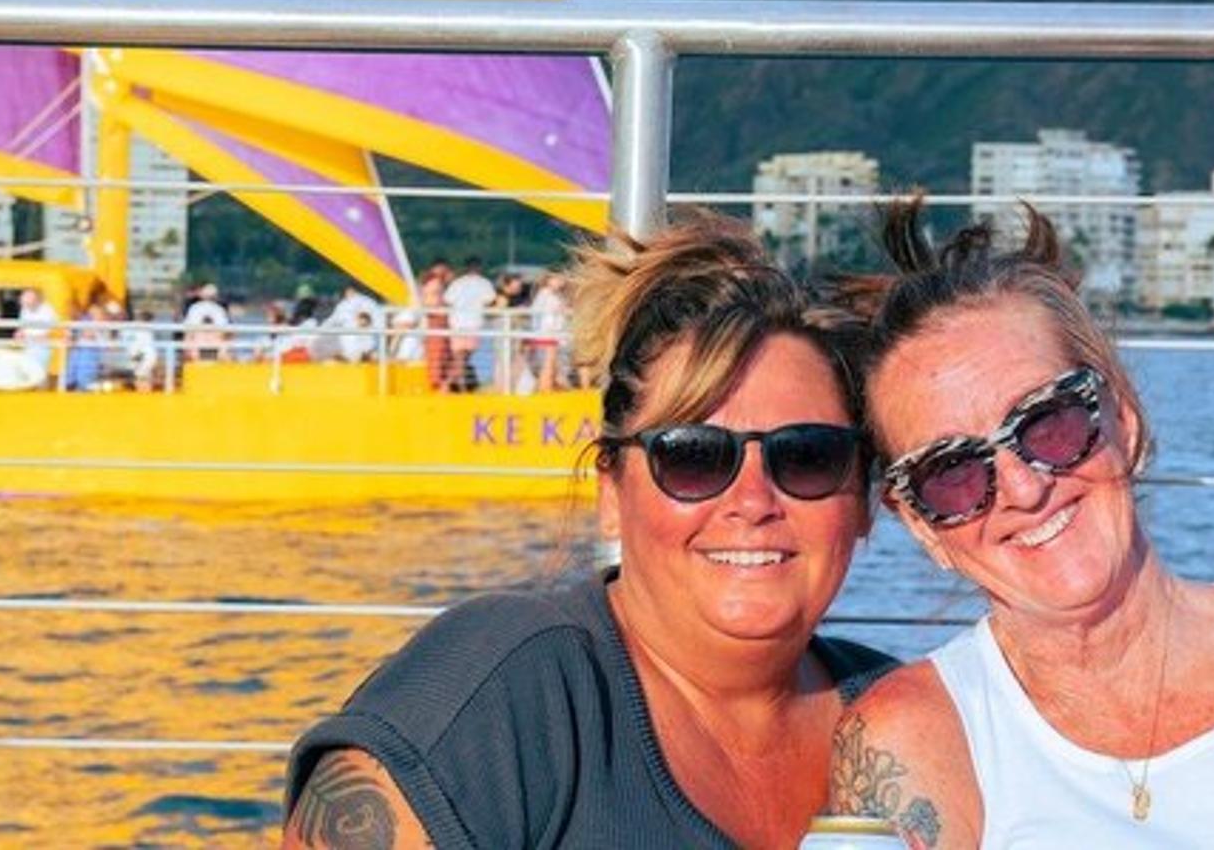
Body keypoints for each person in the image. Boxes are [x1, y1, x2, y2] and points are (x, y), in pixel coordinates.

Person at [826, 200, 1214, 849]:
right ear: (922, 525)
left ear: (1122, 417)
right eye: (953, 471)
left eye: (1049, 422)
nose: (1025, 486)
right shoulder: (910, 738)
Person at [283, 212, 892, 849]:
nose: (752, 498)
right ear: (611, 494)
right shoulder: (503, 694)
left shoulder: (911, 717)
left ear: (863, 499)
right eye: (691, 456)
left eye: (807, 456)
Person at [441, 257, 497, 391]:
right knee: (463, 357)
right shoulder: (484, 283)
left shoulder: (457, 283)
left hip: (456, 323)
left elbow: (447, 300)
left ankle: (454, 384)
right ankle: (453, 385)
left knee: (460, 356)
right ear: (479, 268)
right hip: (473, 324)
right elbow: (491, 300)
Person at [524, 270, 573, 392]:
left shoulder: (549, 295)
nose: (561, 282)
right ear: (548, 280)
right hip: (547, 335)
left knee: (551, 366)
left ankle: (547, 389)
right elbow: (547, 314)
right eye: (558, 279)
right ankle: (544, 390)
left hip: (548, 335)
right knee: (548, 366)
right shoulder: (546, 294)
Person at [320, 283, 382, 362]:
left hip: (356, 350)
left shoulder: (346, 304)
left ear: (349, 291)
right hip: (368, 348)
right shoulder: (371, 303)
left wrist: (318, 330)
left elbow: (331, 322)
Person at [14, 287, 61, 388]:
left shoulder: (48, 310)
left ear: (36, 300)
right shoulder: (25, 309)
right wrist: (19, 333)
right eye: (23, 301)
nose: (25, 304)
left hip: (43, 348)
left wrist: (33, 337)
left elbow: (50, 331)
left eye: (27, 301)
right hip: (28, 346)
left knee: (40, 374)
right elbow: (22, 326)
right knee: (28, 373)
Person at [181, 282, 231, 363]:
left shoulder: (194, 308)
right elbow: (225, 332)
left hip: (199, 345)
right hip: (211, 345)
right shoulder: (219, 310)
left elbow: (188, 332)